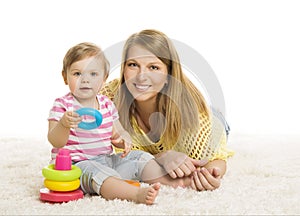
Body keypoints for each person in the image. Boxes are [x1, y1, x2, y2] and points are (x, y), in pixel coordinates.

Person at [47, 42, 204, 205]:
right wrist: (64, 124)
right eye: (77, 74)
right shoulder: (62, 105)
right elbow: (55, 140)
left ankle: (175, 181)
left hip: (106, 159)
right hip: (76, 166)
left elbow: (117, 132)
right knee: (100, 174)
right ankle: (135, 194)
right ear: (65, 77)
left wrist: (123, 139)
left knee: (140, 157)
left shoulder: (106, 104)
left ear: (104, 78)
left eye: (93, 74)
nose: (85, 80)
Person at [100, 29, 234, 191]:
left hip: (214, 121)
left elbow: (217, 157)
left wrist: (212, 174)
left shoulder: (195, 121)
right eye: (133, 65)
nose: (141, 76)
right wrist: (161, 156)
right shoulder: (109, 97)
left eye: (154, 67)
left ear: (168, 75)